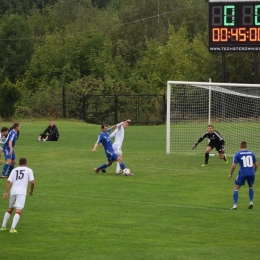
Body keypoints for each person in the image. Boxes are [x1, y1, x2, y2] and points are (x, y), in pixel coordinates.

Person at [0, 157, 34, 233]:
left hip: (13, 191)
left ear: (19, 163)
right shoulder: (29, 170)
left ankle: (3, 226)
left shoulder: (14, 170)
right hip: (21, 192)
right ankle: (12, 228)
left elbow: (8, 182)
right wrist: (31, 191)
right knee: (18, 210)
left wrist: (6, 192)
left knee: (10, 208)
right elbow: (32, 182)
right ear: (26, 163)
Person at [229, 141, 258, 210]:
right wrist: (253, 172)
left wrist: (231, 174)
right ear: (246, 146)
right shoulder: (251, 153)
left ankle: (235, 205)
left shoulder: (237, 154)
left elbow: (233, 166)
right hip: (251, 173)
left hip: (243, 173)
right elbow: (256, 165)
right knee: (251, 186)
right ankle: (251, 202)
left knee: (236, 188)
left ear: (240, 146)